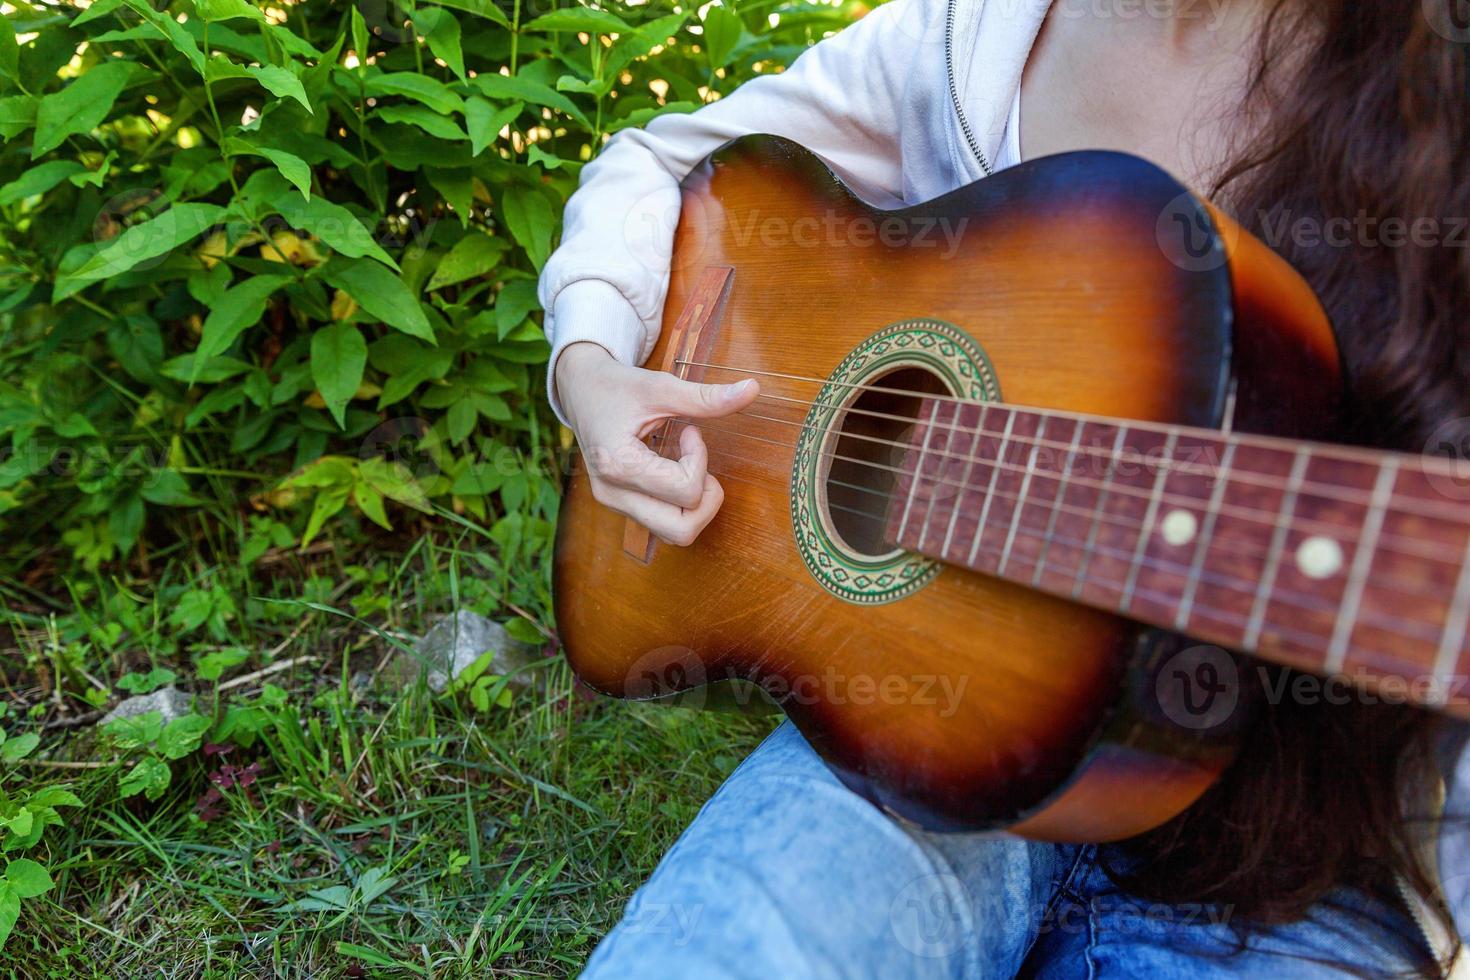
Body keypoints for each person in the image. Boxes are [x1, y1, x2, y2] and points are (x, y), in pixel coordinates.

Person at [539, 0, 1470, 975]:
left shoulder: (1434, 84)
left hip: (1304, 854)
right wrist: (593, 364)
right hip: (939, 732)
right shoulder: (977, 34)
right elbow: (652, 169)